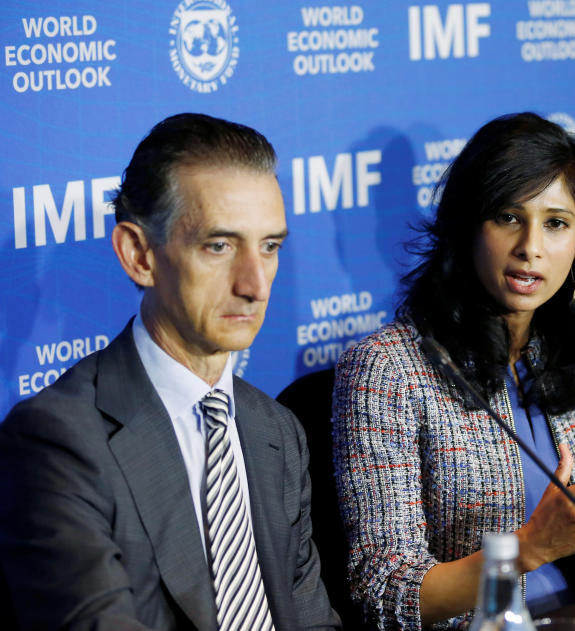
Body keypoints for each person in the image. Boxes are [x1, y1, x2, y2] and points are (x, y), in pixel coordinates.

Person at [333, 113, 575, 630]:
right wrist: (529, 549)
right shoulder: (388, 370)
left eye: (555, 223)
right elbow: (385, 594)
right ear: (467, 226)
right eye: (508, 217)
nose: (530, 247)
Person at [0, 113, 341, 630]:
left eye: (269, 246)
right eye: (219, 246)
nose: (255, 284)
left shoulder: (276, 430)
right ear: (139, 255)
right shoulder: (58, 441)